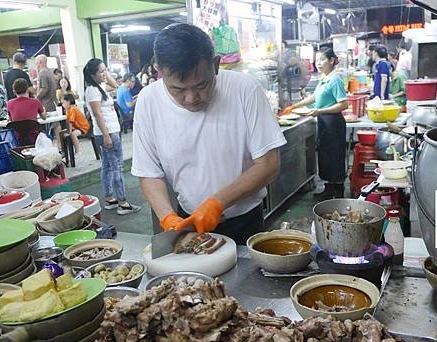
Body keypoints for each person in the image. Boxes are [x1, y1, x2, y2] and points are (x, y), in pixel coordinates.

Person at [131, 23, 286, 244]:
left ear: (215, 65)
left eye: (202, 85)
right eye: (178, 89)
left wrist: (217, 202)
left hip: (244, 221)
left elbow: (269, 164)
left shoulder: (245, 90)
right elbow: (148, 172)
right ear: (159, 72)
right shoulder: (148, 101)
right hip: (186, 222)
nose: (191, 98)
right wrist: (167, 216)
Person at [283, 47, 348, 199]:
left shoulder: (335, 80)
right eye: (317, 60)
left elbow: (343, 104)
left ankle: (337, 190)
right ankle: (329, 188)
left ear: (332, 61)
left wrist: (320, 111)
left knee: (334, 157)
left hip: (333, 123)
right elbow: (314, 98)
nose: (318, 63)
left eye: (322, 60)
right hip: (325, 122)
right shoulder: (324, 79)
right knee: (325, 155)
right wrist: (294, 106)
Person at [84, 58, 141, 216]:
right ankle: (122, 202)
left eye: (105, 70)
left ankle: (109, 199)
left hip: (109, 132)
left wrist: (105, 72)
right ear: (92, 74)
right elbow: (97, 115)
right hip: (108, 132)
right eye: (101, 72)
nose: (104, 74)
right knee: (117, 167)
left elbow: (115, 85)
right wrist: (106, 135)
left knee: (108, 166)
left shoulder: (99, 87)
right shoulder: (92, 90)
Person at [6, 78, 46, 145]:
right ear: (27, 90)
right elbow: (44, 117)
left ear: (14, 91)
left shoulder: (9, 103)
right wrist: (44, 110)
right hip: (34, 138)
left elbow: (11, 120)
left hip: (17, 139)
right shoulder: (35, 102)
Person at [35, 54, 62, 147]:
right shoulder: (50, 72)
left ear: (40, 62)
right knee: (56, 124)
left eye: (37, 63)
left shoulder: (42, 73)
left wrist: (36, 98)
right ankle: (60, 143)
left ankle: (55, 144)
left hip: (46, 103)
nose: (36, 65)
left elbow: (44, 88)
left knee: (50, 124)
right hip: (53, 101)